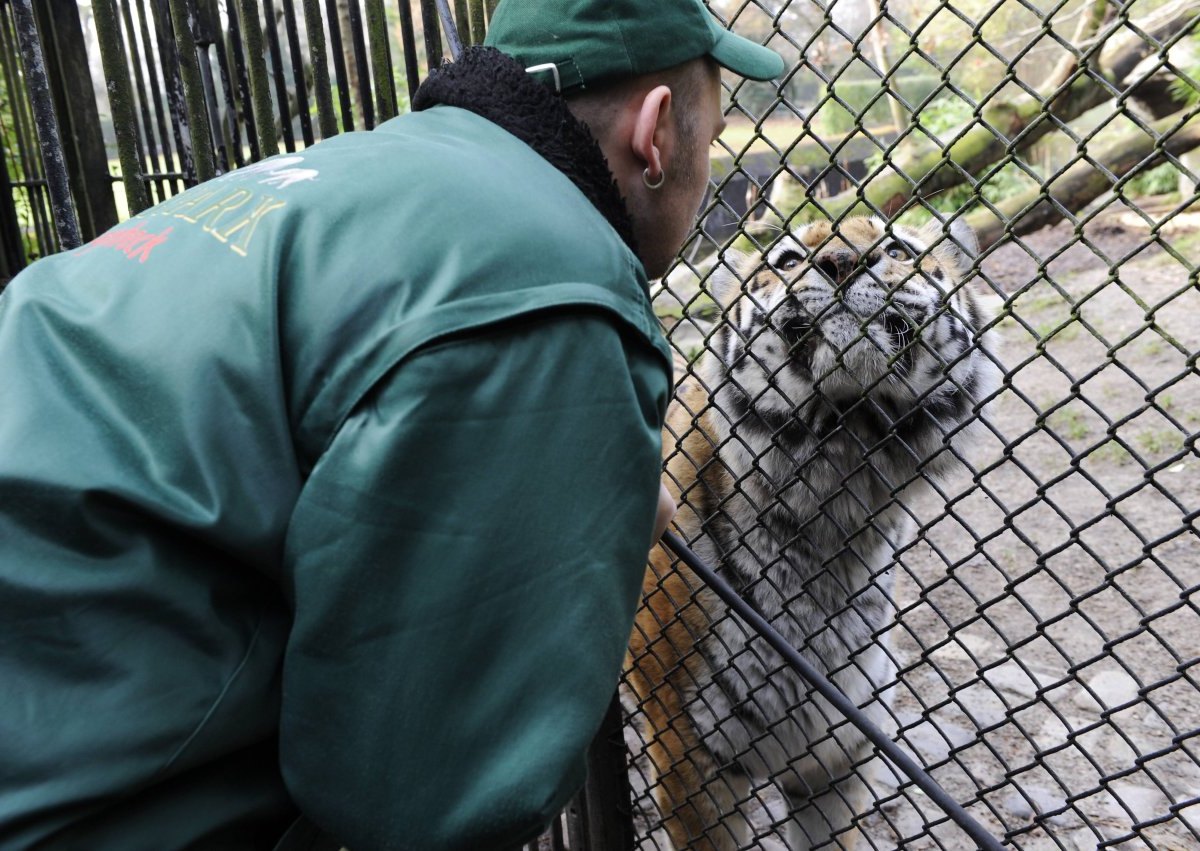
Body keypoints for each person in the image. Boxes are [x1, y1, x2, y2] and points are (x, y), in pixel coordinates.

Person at [0, 1, 782, 848]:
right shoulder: (557, 280)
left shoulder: (371, 171)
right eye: (715, 135)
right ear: (658, 134)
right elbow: (420, 798)